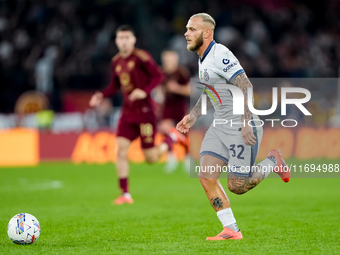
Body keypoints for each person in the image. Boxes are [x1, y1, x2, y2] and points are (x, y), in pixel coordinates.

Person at [176, 13, 290, 240]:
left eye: (192, 29)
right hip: (219, 126)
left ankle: (273, 160)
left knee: (237, 185)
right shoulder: (203, 58)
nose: (186, 33)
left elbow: (245, 85)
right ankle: (231, 229)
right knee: (206, 176)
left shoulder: (220, 54)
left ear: (206, 33)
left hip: (239, 125)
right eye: (187, 29)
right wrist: (194, 115)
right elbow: (211, 91)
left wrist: (246, 122)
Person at [90, 25, 183, 205]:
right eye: (120, 38)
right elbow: (115, 86)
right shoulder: (116, 61)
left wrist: (144, 91)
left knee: (150, 158)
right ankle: (125, 194)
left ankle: (171, 137)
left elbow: (158, 76)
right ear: (116, 41)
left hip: (145, 113)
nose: (124, 41)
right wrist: (101, 95)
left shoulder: (142, 57)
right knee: (121, 151)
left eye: (127, 38)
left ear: (133, 40)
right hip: (127, 113)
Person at [159, 50, 190, 172]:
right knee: (164, 129)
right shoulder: (161, 73)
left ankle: (187, 157)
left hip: (180, 105)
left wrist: (177, 88)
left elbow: (190, 90)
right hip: (167, 105)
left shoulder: (181, 73)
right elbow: (159, 88)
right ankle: (171, 157)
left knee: (184, 133)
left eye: (170, 59)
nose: (168, 62)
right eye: (166, 59)